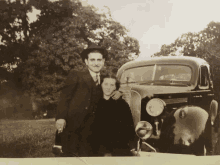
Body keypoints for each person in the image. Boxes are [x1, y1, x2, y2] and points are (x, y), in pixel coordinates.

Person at [54, 43, 125, 157]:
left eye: (99, 60)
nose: (96, 63)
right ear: (86, 62)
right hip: (75, 125)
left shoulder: (105, 79)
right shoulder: (76, 75)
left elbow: (116, 88)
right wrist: (61, 118)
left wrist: (119, 91)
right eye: (92, 60)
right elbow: (64, 97)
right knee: (72, 155)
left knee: (93, 155)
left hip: (95, 128)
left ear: (103, 61)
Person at [89, 73, 137, 156]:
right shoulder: (94, 103)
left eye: (112, 85)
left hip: (118, 148)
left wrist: (132, 147)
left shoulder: (122, 104)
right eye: (106, 84)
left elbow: (129, 127)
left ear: (115, 87)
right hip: (96, 149)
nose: (108, 87)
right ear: (101, 85)